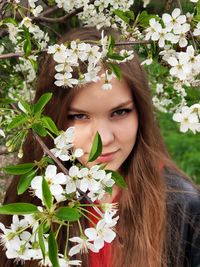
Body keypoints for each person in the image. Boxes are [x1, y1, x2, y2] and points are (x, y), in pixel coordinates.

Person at [0, 27, 200, 267]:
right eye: (79, 116)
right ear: (51, 119)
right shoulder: (34, 199)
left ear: (141, 113)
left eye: (120, 112)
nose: (103, 139)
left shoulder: (182, 206)